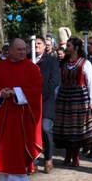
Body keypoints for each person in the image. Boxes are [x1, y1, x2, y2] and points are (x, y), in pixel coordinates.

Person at [0, 38, 43, 181]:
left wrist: (16, 93)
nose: (23, 52)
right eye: (19, 49)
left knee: (17, 149)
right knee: (5, 149)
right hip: (2, 115)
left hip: (22, 116)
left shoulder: (32, 69)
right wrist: (1, 93)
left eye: (24, 49)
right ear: (9, 50)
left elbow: (36, 89)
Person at [53, 37, 92, 167]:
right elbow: (59, 82)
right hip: (64, 97)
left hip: (79, 97)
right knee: (65, 127)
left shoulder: (85, 63)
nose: (67, 48)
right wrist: (55, 97)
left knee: (77, 128)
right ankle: (68, 154)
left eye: (69, 45)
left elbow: (91, 83)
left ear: (76, 48)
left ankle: (76, 155)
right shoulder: (63, 63)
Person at [33, 35, 60, 173]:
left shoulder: (52, 61)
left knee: (45, 129)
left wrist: (41, 96)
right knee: (31, 131)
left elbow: (54, 80)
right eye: (34, 44)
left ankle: (48, 157)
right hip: (29, 102)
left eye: (39, 44)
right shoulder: (27, 59)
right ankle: (33, 160)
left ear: (44, 46)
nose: (36, 46)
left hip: (46, 101)